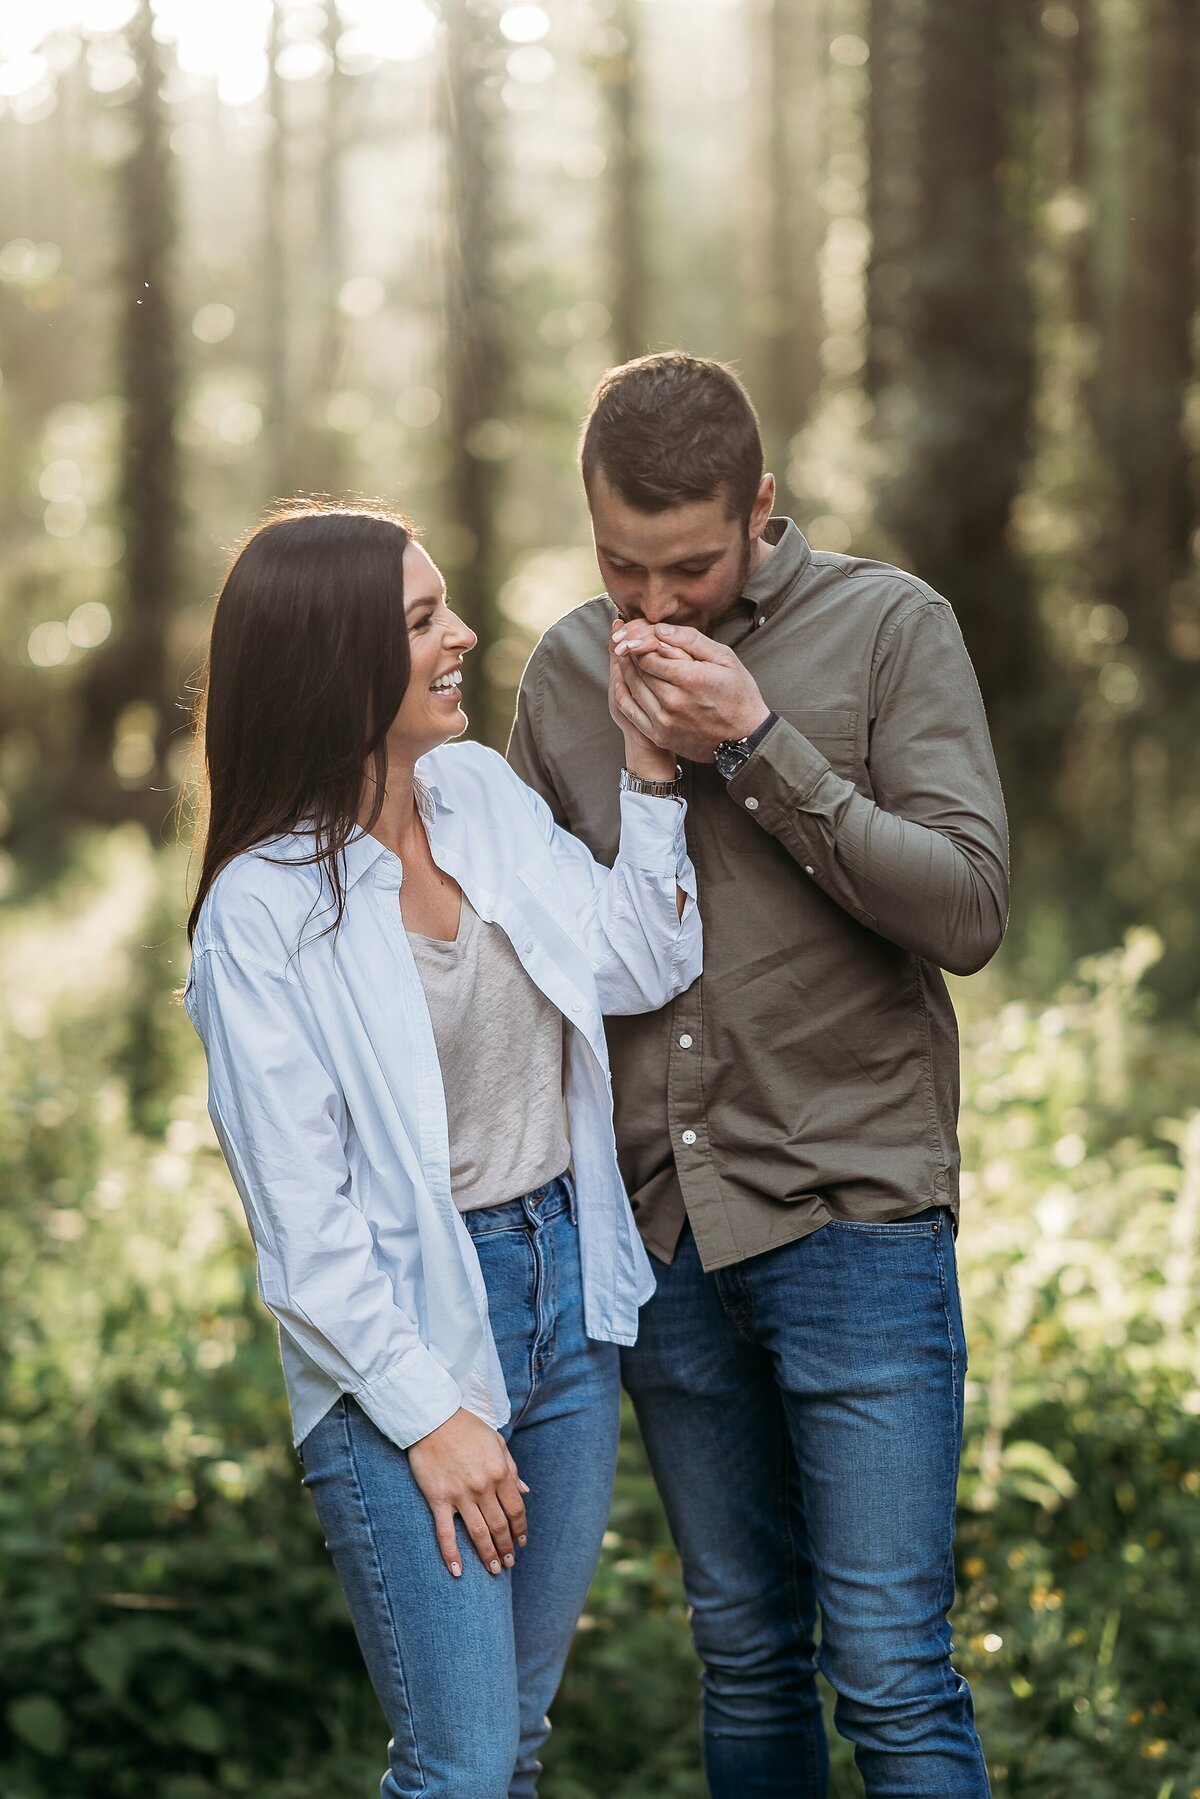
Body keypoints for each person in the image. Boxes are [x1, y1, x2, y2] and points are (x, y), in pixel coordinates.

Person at [507, 352, 1008, 1798]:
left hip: (854, 1215)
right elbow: (550, 960)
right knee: (740, 1653)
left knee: (894, 1671)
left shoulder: (888, 628)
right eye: (621, 568)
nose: (653, 608)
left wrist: (758, 747)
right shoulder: (556, 677)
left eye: (690, 567)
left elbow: (968, 910)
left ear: (763, 510)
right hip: (661, 1237)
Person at [181, 502, 701, 1799]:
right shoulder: (261, 917)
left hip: (564, 1304)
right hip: (396, 1353)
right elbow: (307, 1242)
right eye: (422, 621)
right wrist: (435, 1421)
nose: (463, 635)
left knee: (512, 1748)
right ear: (335, 663)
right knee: (461, 1766)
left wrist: (649, 778)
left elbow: (639, 959)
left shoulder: (474, 793)